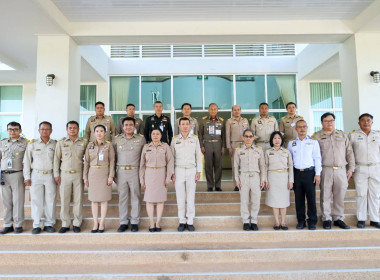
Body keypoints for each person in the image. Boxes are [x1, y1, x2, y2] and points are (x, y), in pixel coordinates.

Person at [312, 112, 355, 230]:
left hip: (341, 170)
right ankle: (326, 218)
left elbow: (349, 152)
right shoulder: (316, 136)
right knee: (325, 195)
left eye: (331, 120)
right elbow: (313, 155)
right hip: (325, 170)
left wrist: (351, 169)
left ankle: (338, 218)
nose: (329, 123)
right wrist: (316, 173)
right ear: (321, 123)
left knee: (340, 195)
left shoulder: (342, 135)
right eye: (326, 121)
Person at [23, 121, 57, 234]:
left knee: (50, 200)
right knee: (36, 200)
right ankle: (36, 224)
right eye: (42, 129)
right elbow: (27, 161)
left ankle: (49, 224)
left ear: (51, 131)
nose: (44, 131)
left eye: (47, 129)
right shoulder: (32, 144)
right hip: (36, 175)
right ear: (39, 131)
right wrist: (27, 176)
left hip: (50, 175)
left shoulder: (55, 144)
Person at [54, 121, 87, 233]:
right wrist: (56, 174)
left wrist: (86, 175)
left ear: (78, 129)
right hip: (65, 174)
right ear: (67, 130)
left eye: (74, 128)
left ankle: (77, 223)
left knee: (78, 199)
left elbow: (87, 159)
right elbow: (56, 159)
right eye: (70, 128)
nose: (72, 130)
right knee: (64, 199)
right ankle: (65, 223)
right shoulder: (61, 142)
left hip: (78, 174)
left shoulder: (84, 142)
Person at [113, 117, 146, 232]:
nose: (128, 127)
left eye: (130, 125)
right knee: (122, 197)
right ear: (122, 127)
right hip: (121, 171)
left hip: (135, 171)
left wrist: (143, 175)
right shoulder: (116, 139)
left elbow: (144, 158)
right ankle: (123, 222)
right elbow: (113, 158)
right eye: (126, 125)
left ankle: (135, 221)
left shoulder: (141, 139)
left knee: (136, 196)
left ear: (134, 126)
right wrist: (113, 173)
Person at [288, 120, 321, 230]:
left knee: (311, 199)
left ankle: (312, 221)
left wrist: (317, 174)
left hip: (309, 173)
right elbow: (289, 161)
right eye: (299, 127)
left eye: (304, 127)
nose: (302, 129)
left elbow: (317, 158)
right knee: (299, 199)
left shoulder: (313, 142)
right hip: (297, 173)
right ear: (296, 129)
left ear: (307, 128)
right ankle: (301, 221)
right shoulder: (291, 143)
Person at [349, 113, 380, 229]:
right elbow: (349, 153)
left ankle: (375, 219)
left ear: (372, 122)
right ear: (359, 123)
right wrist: (350, 169)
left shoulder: (378, 135)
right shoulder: (353, 135)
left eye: (368, 120)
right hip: (360, 168)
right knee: (361, 194)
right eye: (363, 120)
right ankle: (361, 219)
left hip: (376, 168)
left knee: (375, 194)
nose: (366, 122)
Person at [171, 117, 202, 232]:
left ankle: (190, 221)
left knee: (190, 197)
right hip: (178, 170)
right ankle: (182, 221)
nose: (184, 126)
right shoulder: (174, 140)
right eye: (182, 124)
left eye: (187, 124)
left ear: (190, 126)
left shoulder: (195, 139)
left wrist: (198, 171)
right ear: (179, 126)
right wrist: (172, 172)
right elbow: (171, 157)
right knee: (180, 198)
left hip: (191, 170)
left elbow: (198, 156)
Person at [140, 129, 174, 232]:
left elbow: (170, 162)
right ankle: (151, 223)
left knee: (160, 200)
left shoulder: (165, 146)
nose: (155, 136)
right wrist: (142, 180)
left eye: (157, 134)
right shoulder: (146, 147)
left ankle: (158, 222)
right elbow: (142, 165)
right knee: (149, 201)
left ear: (161, 135)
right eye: (153, 134)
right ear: (150, 135)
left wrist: (168, 177)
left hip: (161, 174)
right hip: (149, 174)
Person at [83, 125, 115, 233]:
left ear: (105, 133)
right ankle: (95, 222)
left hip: (104, 173)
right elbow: (86, 162)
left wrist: (111, 176)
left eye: (101, 131)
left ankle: (102, 223)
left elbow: (112, 162)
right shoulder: (90, 145)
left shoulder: (109, 145)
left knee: (104, 200)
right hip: (92, 174)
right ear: (94, 132)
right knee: (94, 200)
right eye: (97, 131)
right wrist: (85, 177)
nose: (99, 133)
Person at [234, 129, 266, 231]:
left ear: (253, 138)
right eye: (246, 136)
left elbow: (262, 166)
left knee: (256, 200)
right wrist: (237, 180)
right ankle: (246, 221)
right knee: (244, 200)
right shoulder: (238, 150)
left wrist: (263, 179)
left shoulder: (259, 150)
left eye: (250, 136)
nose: (248, 138)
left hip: (255, 177)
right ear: (243, 137)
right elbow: (235, 166)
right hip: (243, 177)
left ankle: (254, 221)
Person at [0, 122, 28, 234]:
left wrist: (27, 176)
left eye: (15, 129)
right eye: (10, 129)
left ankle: (18, 224)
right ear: (7, 131)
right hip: (4, 175)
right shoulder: (2, 143)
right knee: (6, 201)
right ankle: (7, 224)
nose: (13, 131)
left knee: (18, 200)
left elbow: (27, 161)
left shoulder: (25, 143)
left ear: (20, 131)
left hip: (17, 174)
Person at [265, 131, 294, 230]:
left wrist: (291, 180)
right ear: (271, 140)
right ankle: (277, 222)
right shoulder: (268, 152)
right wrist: (265, 180)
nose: (277, 140)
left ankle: (283, 222)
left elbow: (290, 166)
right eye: (275, 138)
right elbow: (265, 166)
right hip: (272, 177)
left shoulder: (286, 152)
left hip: (284, 177)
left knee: (284, 201)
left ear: (282, 140)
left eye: (279, 138)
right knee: (274, 200)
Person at [199, 103, 225, 192]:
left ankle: (218, 185)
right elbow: (200, 134)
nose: (213, 111)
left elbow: (223, 135)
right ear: (208, 110)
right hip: (207, 145)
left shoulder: (221, 120)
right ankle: (210, 185)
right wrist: (201, 146)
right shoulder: (203, 121)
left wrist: (223, 146)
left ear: (217, 110)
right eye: (211, 109)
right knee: (208, 166)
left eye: (215, 109)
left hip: (218, 145)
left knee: (218, 166)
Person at [226, 105, 249, 191]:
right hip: (234, 145)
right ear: (232, 112)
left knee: (244, 165)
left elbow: (248, 132)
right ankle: (236, 184)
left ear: (240, 111)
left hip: (244, 144)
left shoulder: (245, 120)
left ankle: (244, 183)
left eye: (238, 110)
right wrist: (229, 147)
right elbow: (227, 135)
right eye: (234, 110)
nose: (236, 111)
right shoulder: (229, 121)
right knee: (235, 165)